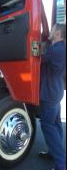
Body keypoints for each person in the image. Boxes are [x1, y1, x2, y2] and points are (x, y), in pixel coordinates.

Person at [39, 23, 66, 170]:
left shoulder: (55, 50)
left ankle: (61, 163)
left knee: (48, 126)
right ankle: (53, 153)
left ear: (58, 34)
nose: (50, 31)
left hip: (49, 93)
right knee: (55, 124)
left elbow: (37, 58)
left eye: (53, 29)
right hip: (56, 90)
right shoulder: (61, 48)